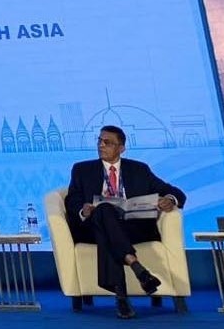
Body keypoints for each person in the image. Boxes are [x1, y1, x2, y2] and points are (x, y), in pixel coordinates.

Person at [64, 125, 184, 319]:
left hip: (132, 228)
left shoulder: (139, 169)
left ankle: (122, 296)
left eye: (107, 142)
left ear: (121, 148)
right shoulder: (82, 169)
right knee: (104, 210)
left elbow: (174, 191)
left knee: (108, 233)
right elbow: (72, 200)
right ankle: (135, 269)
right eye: (99, 141)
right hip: (94, 227)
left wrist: (170, 200)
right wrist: (83, 210)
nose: (101, 145)